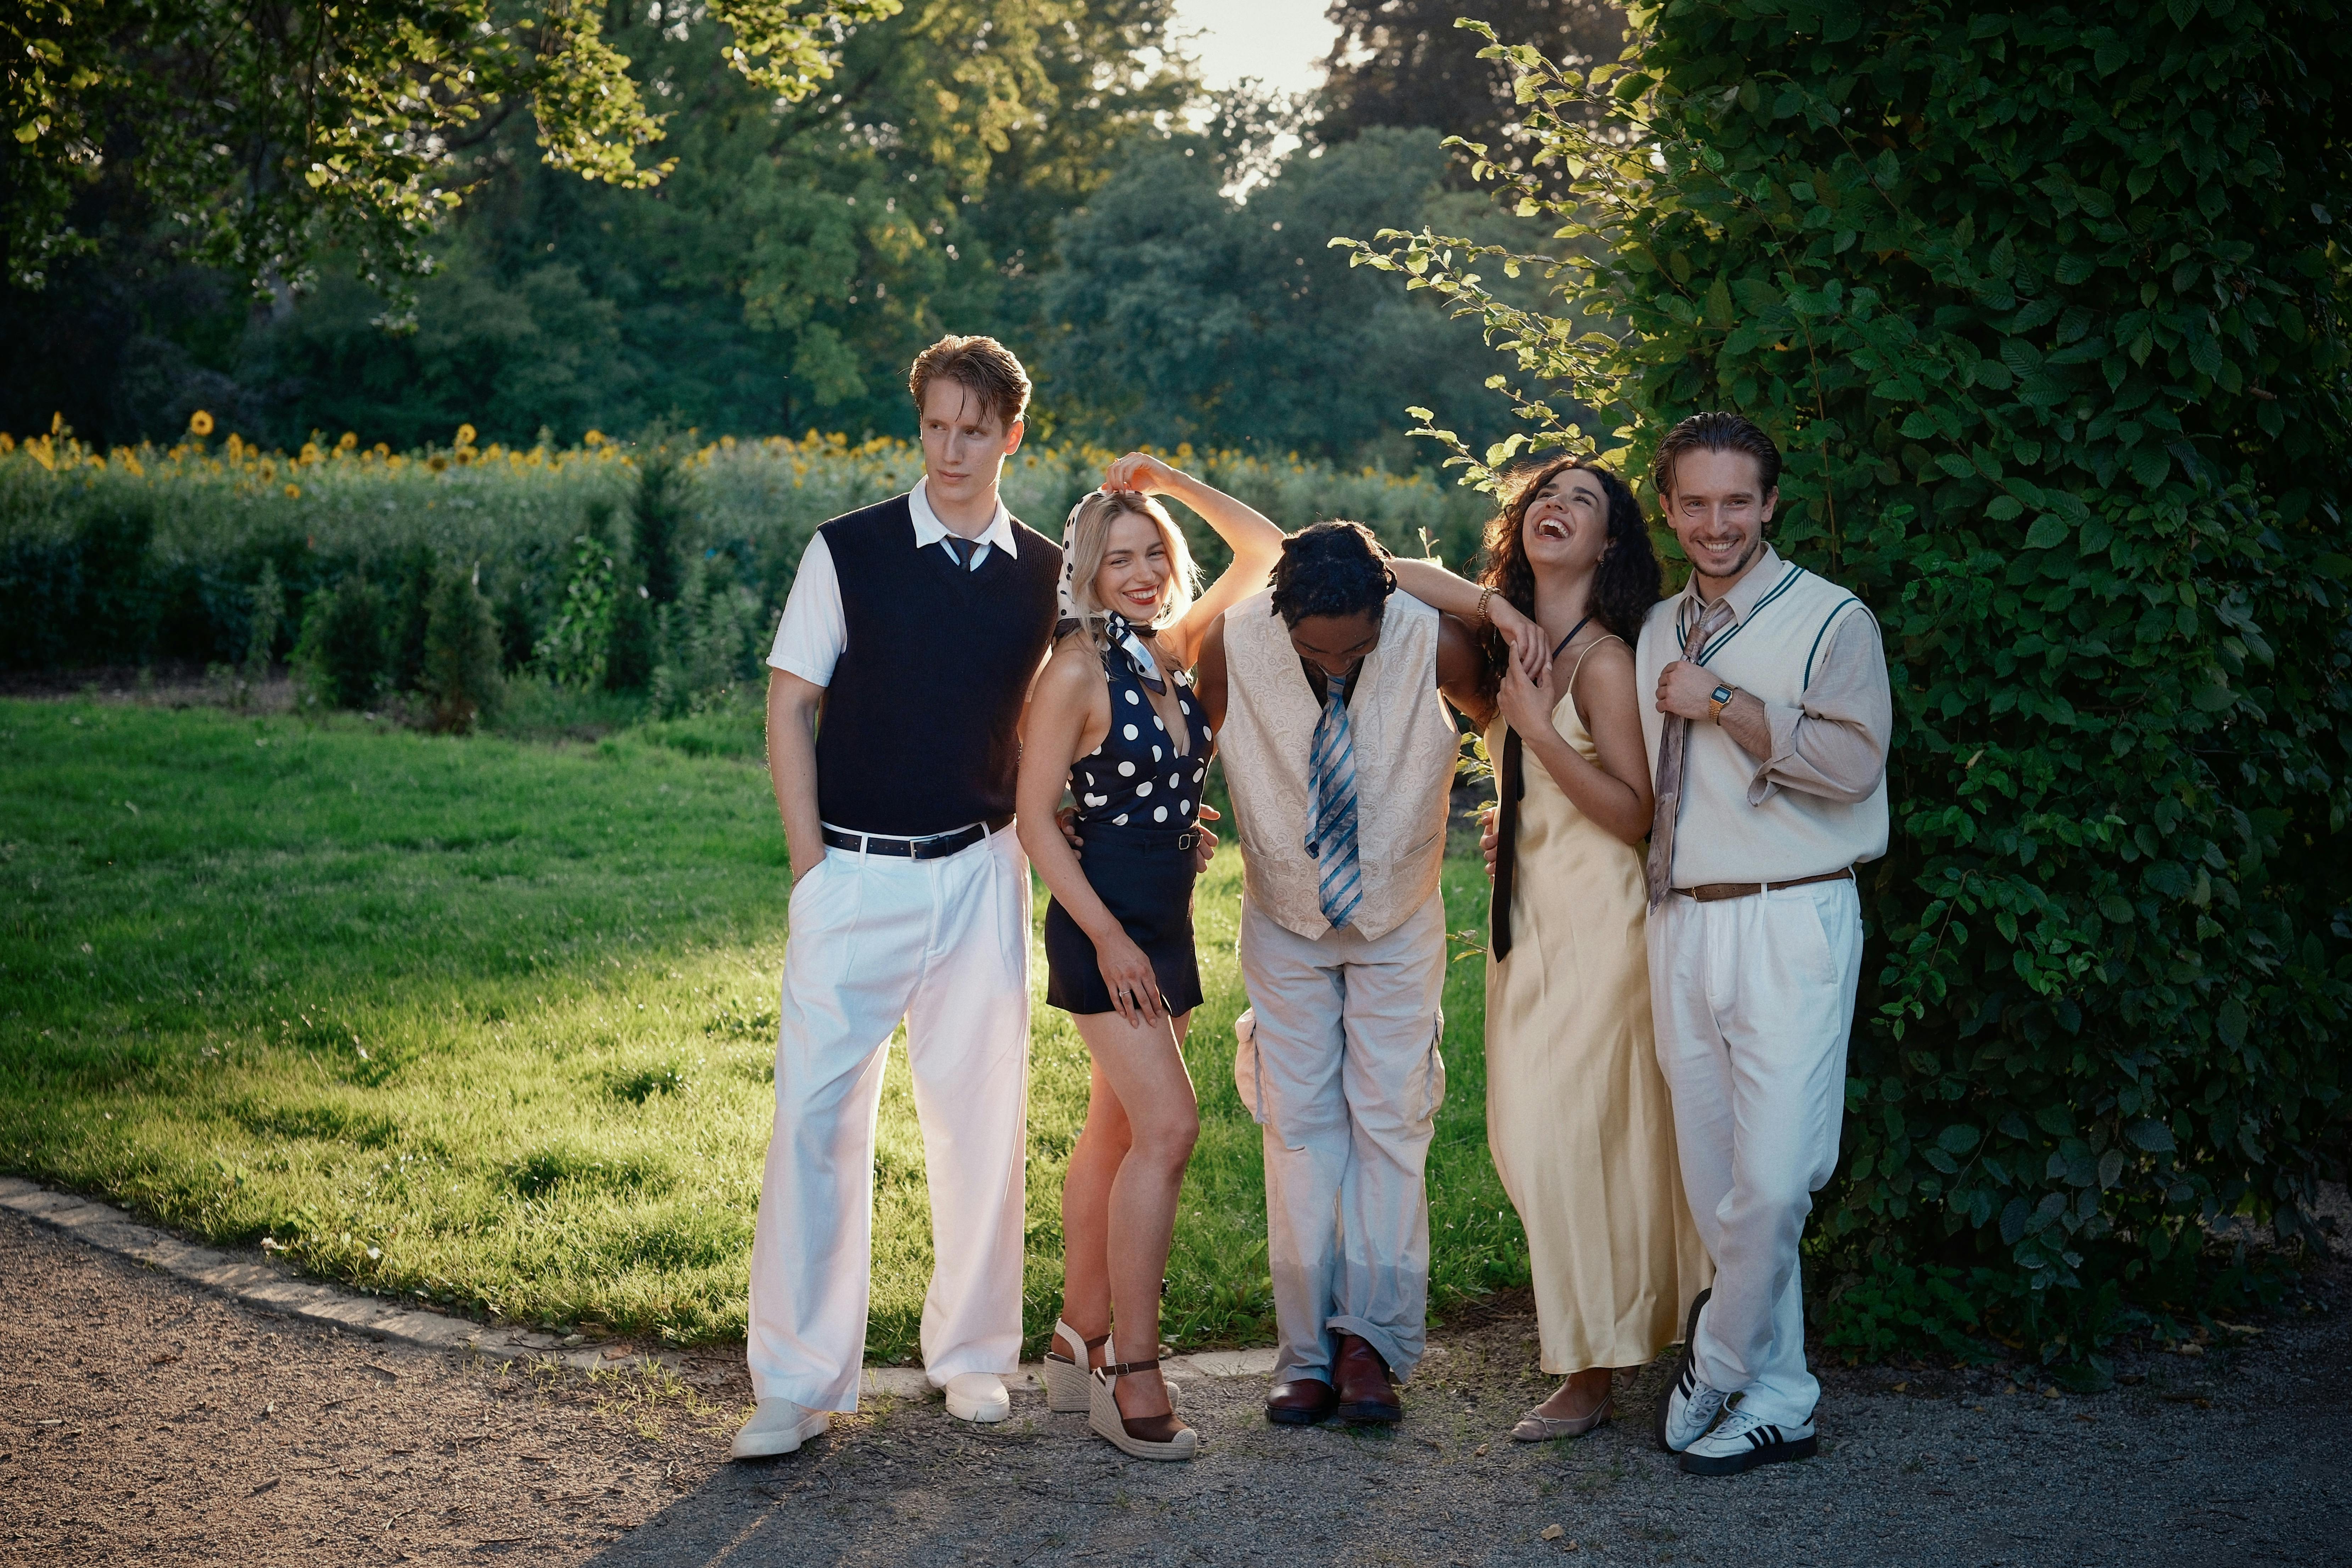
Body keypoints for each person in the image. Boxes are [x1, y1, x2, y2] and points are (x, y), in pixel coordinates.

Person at [732, 335, 1062, 1461]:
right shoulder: (848, 551)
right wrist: (808, 873)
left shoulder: (1046, 570)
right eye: (936, 425)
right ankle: (798, 1381)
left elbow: (1071, 722)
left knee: (980, 1124)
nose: (953, 448)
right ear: (917, 424)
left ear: (1012, 435)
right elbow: (788, 709)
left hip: (981, 872)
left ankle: (971, 1356)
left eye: (976, 428)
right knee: (816, 1124)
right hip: (852, 874)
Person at [1633, 412, 1892, 1477]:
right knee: (1718, 1183)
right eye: (1693, 503)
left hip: (1793, 913)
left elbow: (1851, 765)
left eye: (1735, 501)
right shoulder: (1655, 628)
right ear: (1668, 510)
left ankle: (1719, 1353)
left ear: (1769, 504)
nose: (1715, 522)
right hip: (1682, 920)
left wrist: (1725, 701)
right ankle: (1779, 1397)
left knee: (1778, 1180)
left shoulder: (1831, 619)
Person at [1193, 522, 1497, 1427]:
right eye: (1314, 649)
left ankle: (1373, 1340)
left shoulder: (1430, 637)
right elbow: (1194, 737)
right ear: (1282, 615)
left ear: (1386, 608)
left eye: (1355, 646)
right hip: (1283, 910)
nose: (1336, 664)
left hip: (1399, 908)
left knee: (1393, 1118)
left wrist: (1518, 815)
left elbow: (1505, 721)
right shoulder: (1236, 638)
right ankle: (1305, 1351)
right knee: (1298, 1125)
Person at [1437, 458, 1714, 1442]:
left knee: (1569, 1145)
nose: (1558, 508)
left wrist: (1537, 739)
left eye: (1584, 503)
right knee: (1528, 1141)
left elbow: (1633, 812)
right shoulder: (1517, 645)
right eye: (1544, 496)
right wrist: (1491, 608)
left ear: (1609, 546)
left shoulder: (1600, 660)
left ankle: (1590, 1373)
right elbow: (1381, 570)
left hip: (1597, 935)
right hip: (1526, 931)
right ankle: (1631, 1332)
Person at [1017, 455, 1285, 1461]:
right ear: (1084, 576)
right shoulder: (1076, 669)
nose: (1136, 572)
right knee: (1168, 1128)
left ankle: (1072, 1335)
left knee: (1117, 1133)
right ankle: (1130, 1365)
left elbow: (1263, 548)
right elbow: (1035, 820)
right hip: (1106, 930)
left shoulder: (1166, 650)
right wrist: (1111, 936)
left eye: (1151, 554)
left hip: (1162, 917)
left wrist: (1167, 482)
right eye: (1115, 559)